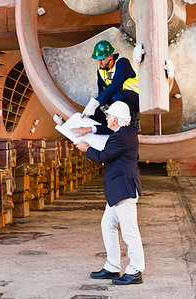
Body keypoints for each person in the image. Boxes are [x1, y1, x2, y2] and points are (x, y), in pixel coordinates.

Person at [74, 101, 145, 285]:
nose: (106, 118)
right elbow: (108, 131)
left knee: (129, 231)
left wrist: (86, 148)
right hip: (119, 190)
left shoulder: (119, 138)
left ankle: (136, 270)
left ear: (115, 120)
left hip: (123, 190)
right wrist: (89, 130)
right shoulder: (127, 131)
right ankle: (113, 267)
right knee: (108, 224)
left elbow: (103, 156)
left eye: (108, 116)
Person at [82, 40, 140, 130]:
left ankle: (132, 125)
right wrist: (99, 106)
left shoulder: (121, 62)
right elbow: (101, 91)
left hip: (136, 97)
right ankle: (106, 128)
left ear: (110, 56)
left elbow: (116, 85)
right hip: (120, 97)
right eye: (98, 60)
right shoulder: (100, 69)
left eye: (102, 59)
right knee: (98, 108)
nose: (100, 63)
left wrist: (97, 101)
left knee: (115, 97)